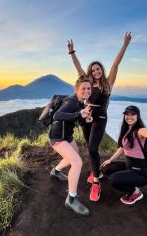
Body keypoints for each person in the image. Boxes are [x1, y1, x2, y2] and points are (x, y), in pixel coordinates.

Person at [66, 32, 132, 202]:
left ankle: (96, 182)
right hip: (86, 116)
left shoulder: (108, 83)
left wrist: (124, 45)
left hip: (100, 117)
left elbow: (116, 63)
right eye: (93, 69)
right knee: (90, 148)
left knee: (94, 148)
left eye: (98, 69)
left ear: (101, 70)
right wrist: (72, 53)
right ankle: (98, 172)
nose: (95, 71)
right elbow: (78, 68)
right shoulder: (87, 81)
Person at [101, 105, 147, 205]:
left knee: (113, 179)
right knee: (106, 168)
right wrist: (110, 160)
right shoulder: (126, 130)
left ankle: (135, 192)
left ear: (137, 116)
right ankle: (128, 179)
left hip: (140, 173)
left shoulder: (139, 130)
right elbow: (122, 148)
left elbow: (144, 133)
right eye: (127, 114)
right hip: (129, 166)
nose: (129, 117)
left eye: (133, 114)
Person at [48, 75, 93, 216]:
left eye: (88, 88)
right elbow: (57, 116)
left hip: (66, 136)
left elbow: (76, 119)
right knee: (77, 162)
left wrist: (85, 118)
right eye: (83, 88)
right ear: (76, 89)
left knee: (73, 157)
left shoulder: (81, 102)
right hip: (57, 137)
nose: (86, 91)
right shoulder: (72, 101)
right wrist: (79, 113)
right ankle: (71, 200)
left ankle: (55, 171)